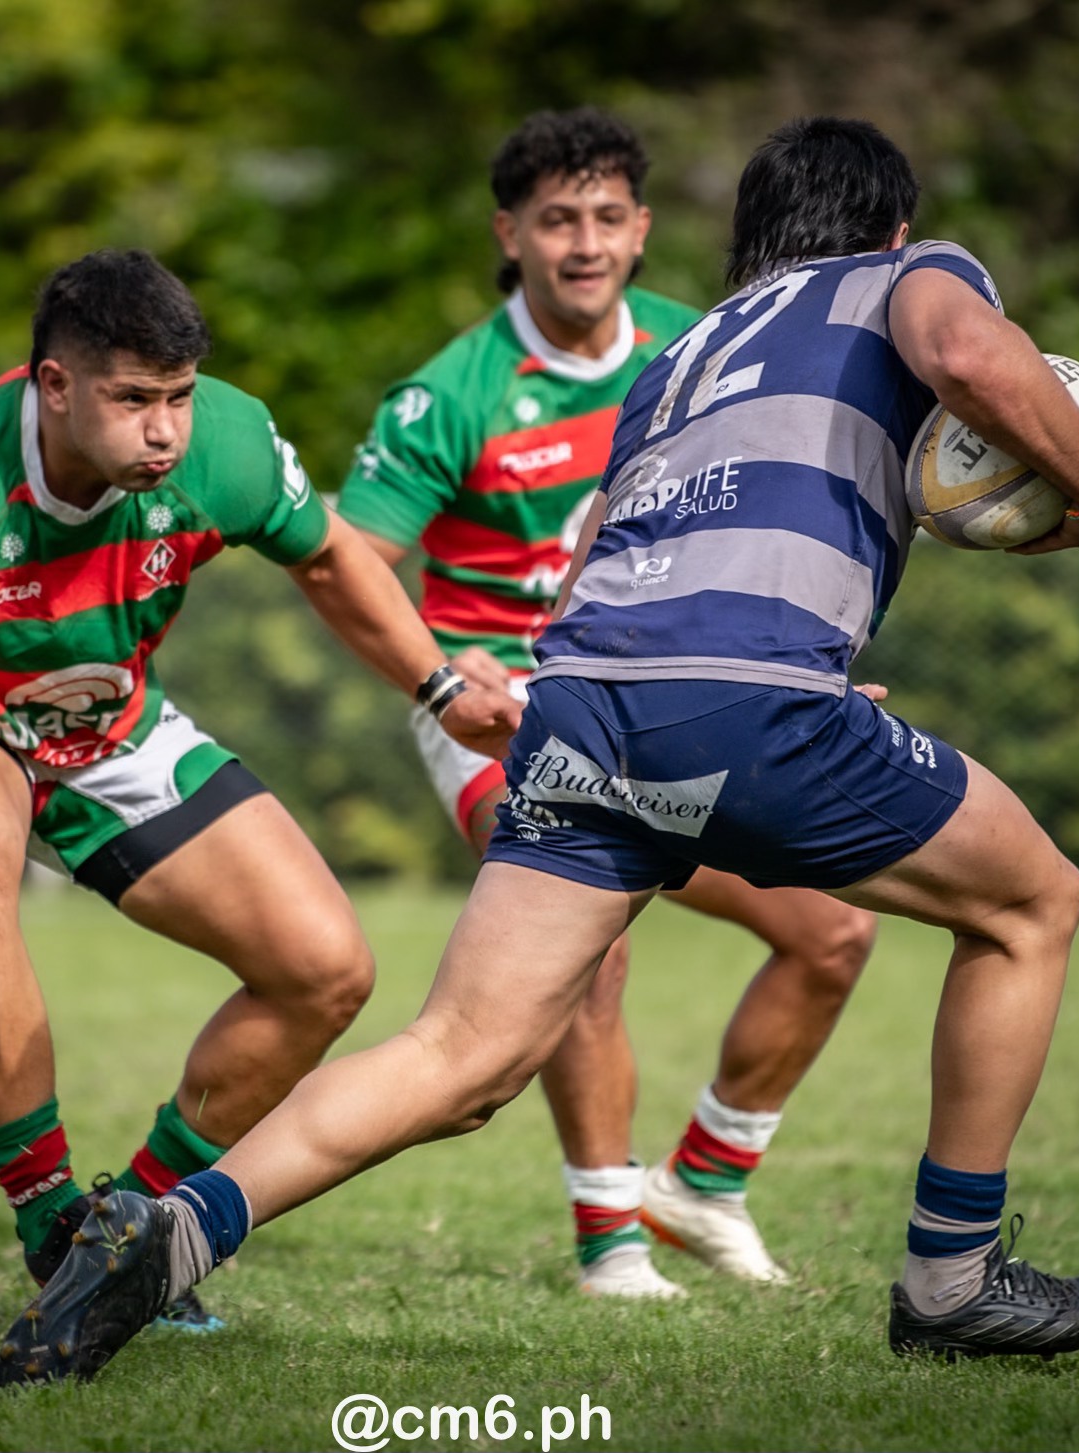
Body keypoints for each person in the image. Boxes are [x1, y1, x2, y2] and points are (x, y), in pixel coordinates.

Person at [0, 117, 1079, 1387]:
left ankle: (167, 1231)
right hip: (739, 697)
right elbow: (971, 356)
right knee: (1034, 904)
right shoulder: (910, 272)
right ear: (889, 224)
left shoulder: (685, 350)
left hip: (584, 695)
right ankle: (953, 1279)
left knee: (459, 1052)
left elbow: (607, 533)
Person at [0, 248, 519, 1334]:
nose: (165, 429)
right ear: (53, 387)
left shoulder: (229, 442)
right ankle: (49, 1215)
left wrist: (440, 686)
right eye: (133, 400)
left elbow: (331, 558)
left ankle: (128, 1231)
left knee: (324, 970)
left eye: (179, 397)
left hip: (105, 718)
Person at [337, 107, 876, 1299]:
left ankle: (706, 1181)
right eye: (556, 218)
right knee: (591, 942)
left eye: (607, 216)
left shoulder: (702, 349)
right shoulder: (449, 397)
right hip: (499, 714)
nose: (584, 241)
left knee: (833, 931)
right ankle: (607, 1242)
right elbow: (355, 562)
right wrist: (442, 671)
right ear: (511, 234)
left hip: (663, 691)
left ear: (640, 231)